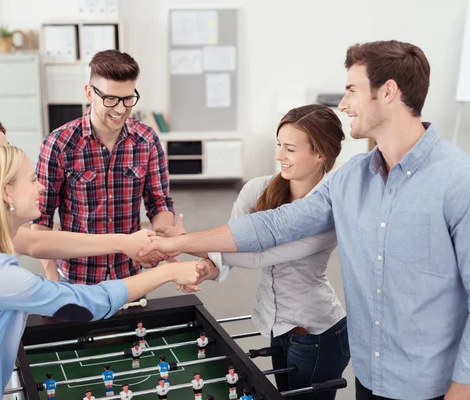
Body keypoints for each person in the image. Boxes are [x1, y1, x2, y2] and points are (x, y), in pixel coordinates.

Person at [138, 40, 470, 400]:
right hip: (371, 377)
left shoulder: (457, 180)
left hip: (435, 386)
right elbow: (274, 225)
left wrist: (463, 387)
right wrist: (177, 243)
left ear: (387, 92)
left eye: (352, 90)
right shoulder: (351, 178)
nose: (343, 104)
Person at [0, 145, 201, 399]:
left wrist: (126, 243)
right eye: (32, 178)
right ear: (6, 193)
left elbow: (40, 241)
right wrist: (168, 274)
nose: (41, 185)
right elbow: (87, 305)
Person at [174, 105, 350, 399]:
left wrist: (182, 243)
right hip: (275, 325)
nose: (279, 155)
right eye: (279, 144)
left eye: (290, 149)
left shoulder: (329, 210)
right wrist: (207, 268)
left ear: (320, 153)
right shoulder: (257, 189)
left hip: (317, 333)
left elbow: (260, 256)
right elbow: (229, 246)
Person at [32, 49, 179, 284]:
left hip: (129, 274)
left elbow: (159, 202)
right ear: (89, 93)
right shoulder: (59, 144)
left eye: (128, 99)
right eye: (110, 99)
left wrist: (161, 241)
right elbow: (41, 217)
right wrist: (52, 280)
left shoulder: (147, 140)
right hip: (77, 278)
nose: (120, 109)